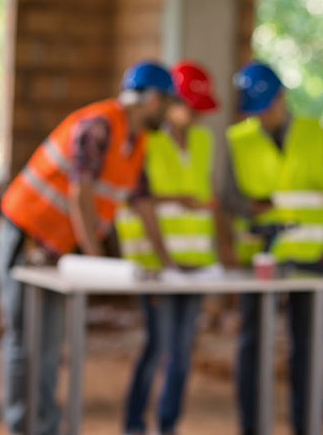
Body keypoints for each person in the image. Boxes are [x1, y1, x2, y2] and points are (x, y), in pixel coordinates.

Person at [0, 61, 175, 435]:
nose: (170, 111)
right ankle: (20, 427)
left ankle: (44, 427)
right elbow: (81, 191)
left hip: (56, 248)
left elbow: (143, 207)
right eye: (167, 102)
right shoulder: (99, 126)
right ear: (152, 99)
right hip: (23, 233)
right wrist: (95, 258)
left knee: (47, 345)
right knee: (23, 341)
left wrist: (167, 260)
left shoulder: (136, 143)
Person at [225, 62, 323, 435]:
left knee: (307, 348)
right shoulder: (239, 139)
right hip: (261, 259)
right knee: (252, 346)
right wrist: (248, 206)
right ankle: (251, 426)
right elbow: (227, 197)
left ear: (282, 98)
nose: (263, 119)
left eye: (266, 108)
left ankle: (306, 426)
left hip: (309, 257)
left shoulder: (316, 134)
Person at [116, 60, 225, 435]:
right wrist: (180, 200)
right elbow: (136, 200)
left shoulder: (204, 142)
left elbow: (207, 200)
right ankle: (133, 424)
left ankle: (167, 426)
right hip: (154, 265)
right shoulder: (147, 140)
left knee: (181, 355)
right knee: (157, 346)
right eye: (190, 108)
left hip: (195, 266)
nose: (195, 117)